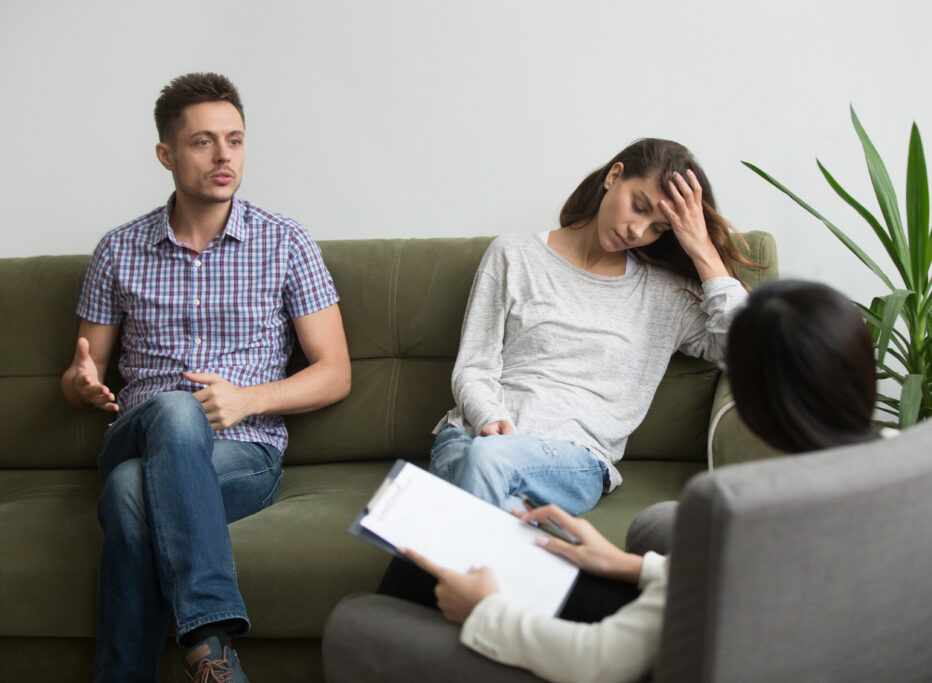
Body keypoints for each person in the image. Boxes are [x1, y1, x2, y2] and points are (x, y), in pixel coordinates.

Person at [401, 279, 880, 683]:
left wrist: (485, 611)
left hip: (621, 659)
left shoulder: (748, 518)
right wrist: (631, 567)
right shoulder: (905, 461)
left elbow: (598, 660)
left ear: (755, 404)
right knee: (642, 534)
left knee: (361, 618)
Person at [61, 73, 351, 682]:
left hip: (243, 455)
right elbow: (79, 371)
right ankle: (208, 643)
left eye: (235, 140)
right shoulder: (117, 250)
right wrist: (81, 385)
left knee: (128, 493)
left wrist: (247, 399)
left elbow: (335, 373)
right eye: (203, 142)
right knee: (172, 409)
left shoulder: (285, 242)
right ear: (166, 154)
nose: (224, 157)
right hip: (137, 430)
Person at [429, 138, 755, 516]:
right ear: (614, 176)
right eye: (639, 206)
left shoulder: (666, 296)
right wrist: (489, 420)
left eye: (659, 228)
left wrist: (701, 247)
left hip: (570, 459)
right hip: (472, 439)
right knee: (499, 496)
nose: (638, 231)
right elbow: (474, 366)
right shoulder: (513, 254)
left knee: (472, 485)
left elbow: (744, 348)